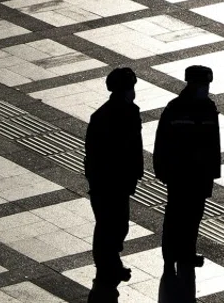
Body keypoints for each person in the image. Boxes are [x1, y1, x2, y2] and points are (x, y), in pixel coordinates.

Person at [154, 65, 221, 275]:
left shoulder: (209, 107)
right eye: (203, 84)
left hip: (200, 175)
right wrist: (162, 169)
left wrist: (213, 172)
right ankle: (170, 254)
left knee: (194, 216)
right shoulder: (175, 108)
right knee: (176, 214)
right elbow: (162, 141)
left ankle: (187, 253)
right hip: (180, 174)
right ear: (192, 84)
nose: (206, 88)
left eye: (207, 84)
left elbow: (214, 143)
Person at [84, 68, 144, 301]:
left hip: (112, 181)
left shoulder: (116, 113)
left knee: (114, 225)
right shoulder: (115, 115)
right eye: (130, 88)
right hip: (111, 181)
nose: (133, 92)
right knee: (112, 225)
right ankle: (107, 266)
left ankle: (109, 264)